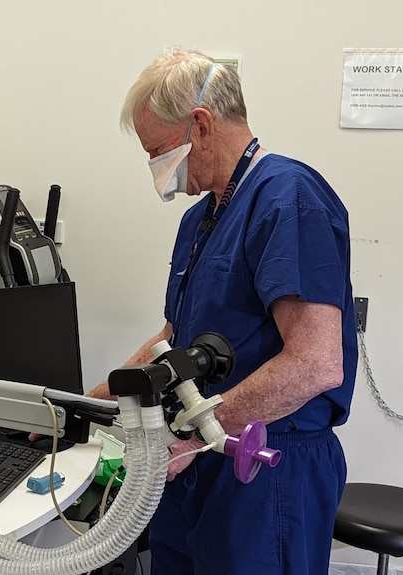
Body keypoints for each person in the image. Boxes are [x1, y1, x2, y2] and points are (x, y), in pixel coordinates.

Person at [87, 48, 358, 574]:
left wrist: (190, 439)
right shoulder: (203, 219)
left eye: (159, 151)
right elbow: (173, 338)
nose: (155, 169)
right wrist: (89, 403)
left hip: (265, 468)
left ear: (201, 126)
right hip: (199, 460)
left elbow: (317, 363)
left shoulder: (288, 200)